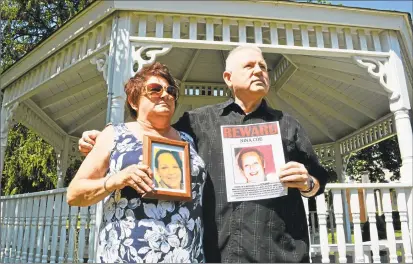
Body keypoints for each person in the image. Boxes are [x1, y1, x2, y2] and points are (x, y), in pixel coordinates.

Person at [79, 45, 329, 262]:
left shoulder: (288, 124)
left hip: (278, 252)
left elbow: (319, 178)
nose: (259, 71)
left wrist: (308, 183)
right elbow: (153, 137)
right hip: (216, 252)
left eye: (263, 67)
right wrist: (102, 140)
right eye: (250, 65)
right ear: (228, 78)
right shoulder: (199, 122)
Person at [67, 62, 206, 263]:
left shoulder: (188, 139)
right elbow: (74, 194)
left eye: (170, 90)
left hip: (186, 255)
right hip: (129, 254)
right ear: (134, 101)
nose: (165, 94)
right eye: (155, 89)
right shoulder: (115, 134)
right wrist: (116, 180)